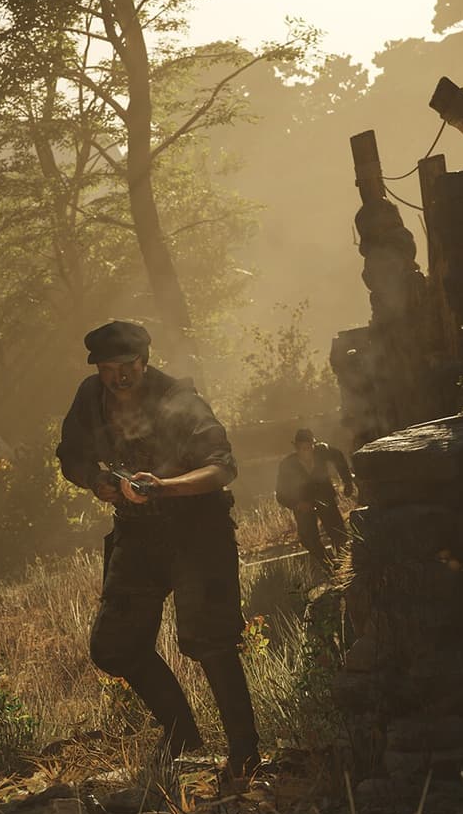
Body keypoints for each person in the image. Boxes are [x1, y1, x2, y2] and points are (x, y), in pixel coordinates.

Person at [55, 320, 261, 780]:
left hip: (198, 532)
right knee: (114, 646)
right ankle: (182, 736)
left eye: (126, 366)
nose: (118, 377)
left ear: (144, 362)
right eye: (107, 368)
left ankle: (246, 756)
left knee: (210, 640)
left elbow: (223, 467)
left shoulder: (179, 400)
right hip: (137, 534)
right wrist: (97, 480)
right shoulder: (90, 397)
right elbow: (70, 455)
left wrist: (165, 486)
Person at [275, 428, 354, 571]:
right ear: (296, 448)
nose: (306, 451)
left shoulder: (322, 451)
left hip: (325, 497)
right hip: (303, 503)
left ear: (313, 445)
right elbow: (280, 494)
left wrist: (347, 481)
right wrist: (297, 504)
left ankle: (343, 565)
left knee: (339, 533)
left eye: (309, 447)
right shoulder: (287, 465)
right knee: (308, 538)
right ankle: (328, 566)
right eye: (302, 448)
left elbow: (338, 457)